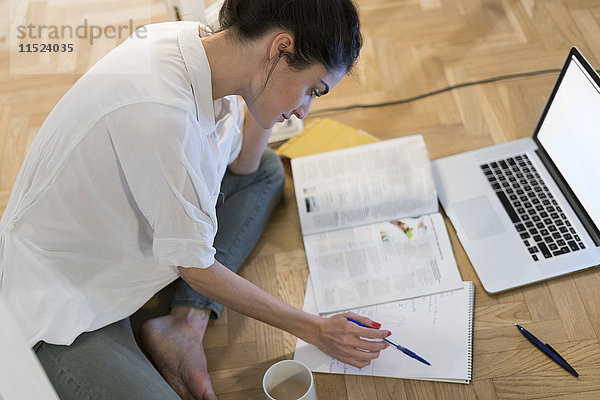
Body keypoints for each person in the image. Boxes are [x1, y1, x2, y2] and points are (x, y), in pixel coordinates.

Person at [0, 0, 391, 399]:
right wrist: (315, 329)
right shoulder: (160, 114)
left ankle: (184, 326)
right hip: (62, 298)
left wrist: (270, 109)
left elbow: (244, 167)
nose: (305, 111)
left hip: (125, 253)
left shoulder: (210, 45)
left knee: (266, 171)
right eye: (312, 89)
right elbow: (196, 267)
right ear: (280, 48)